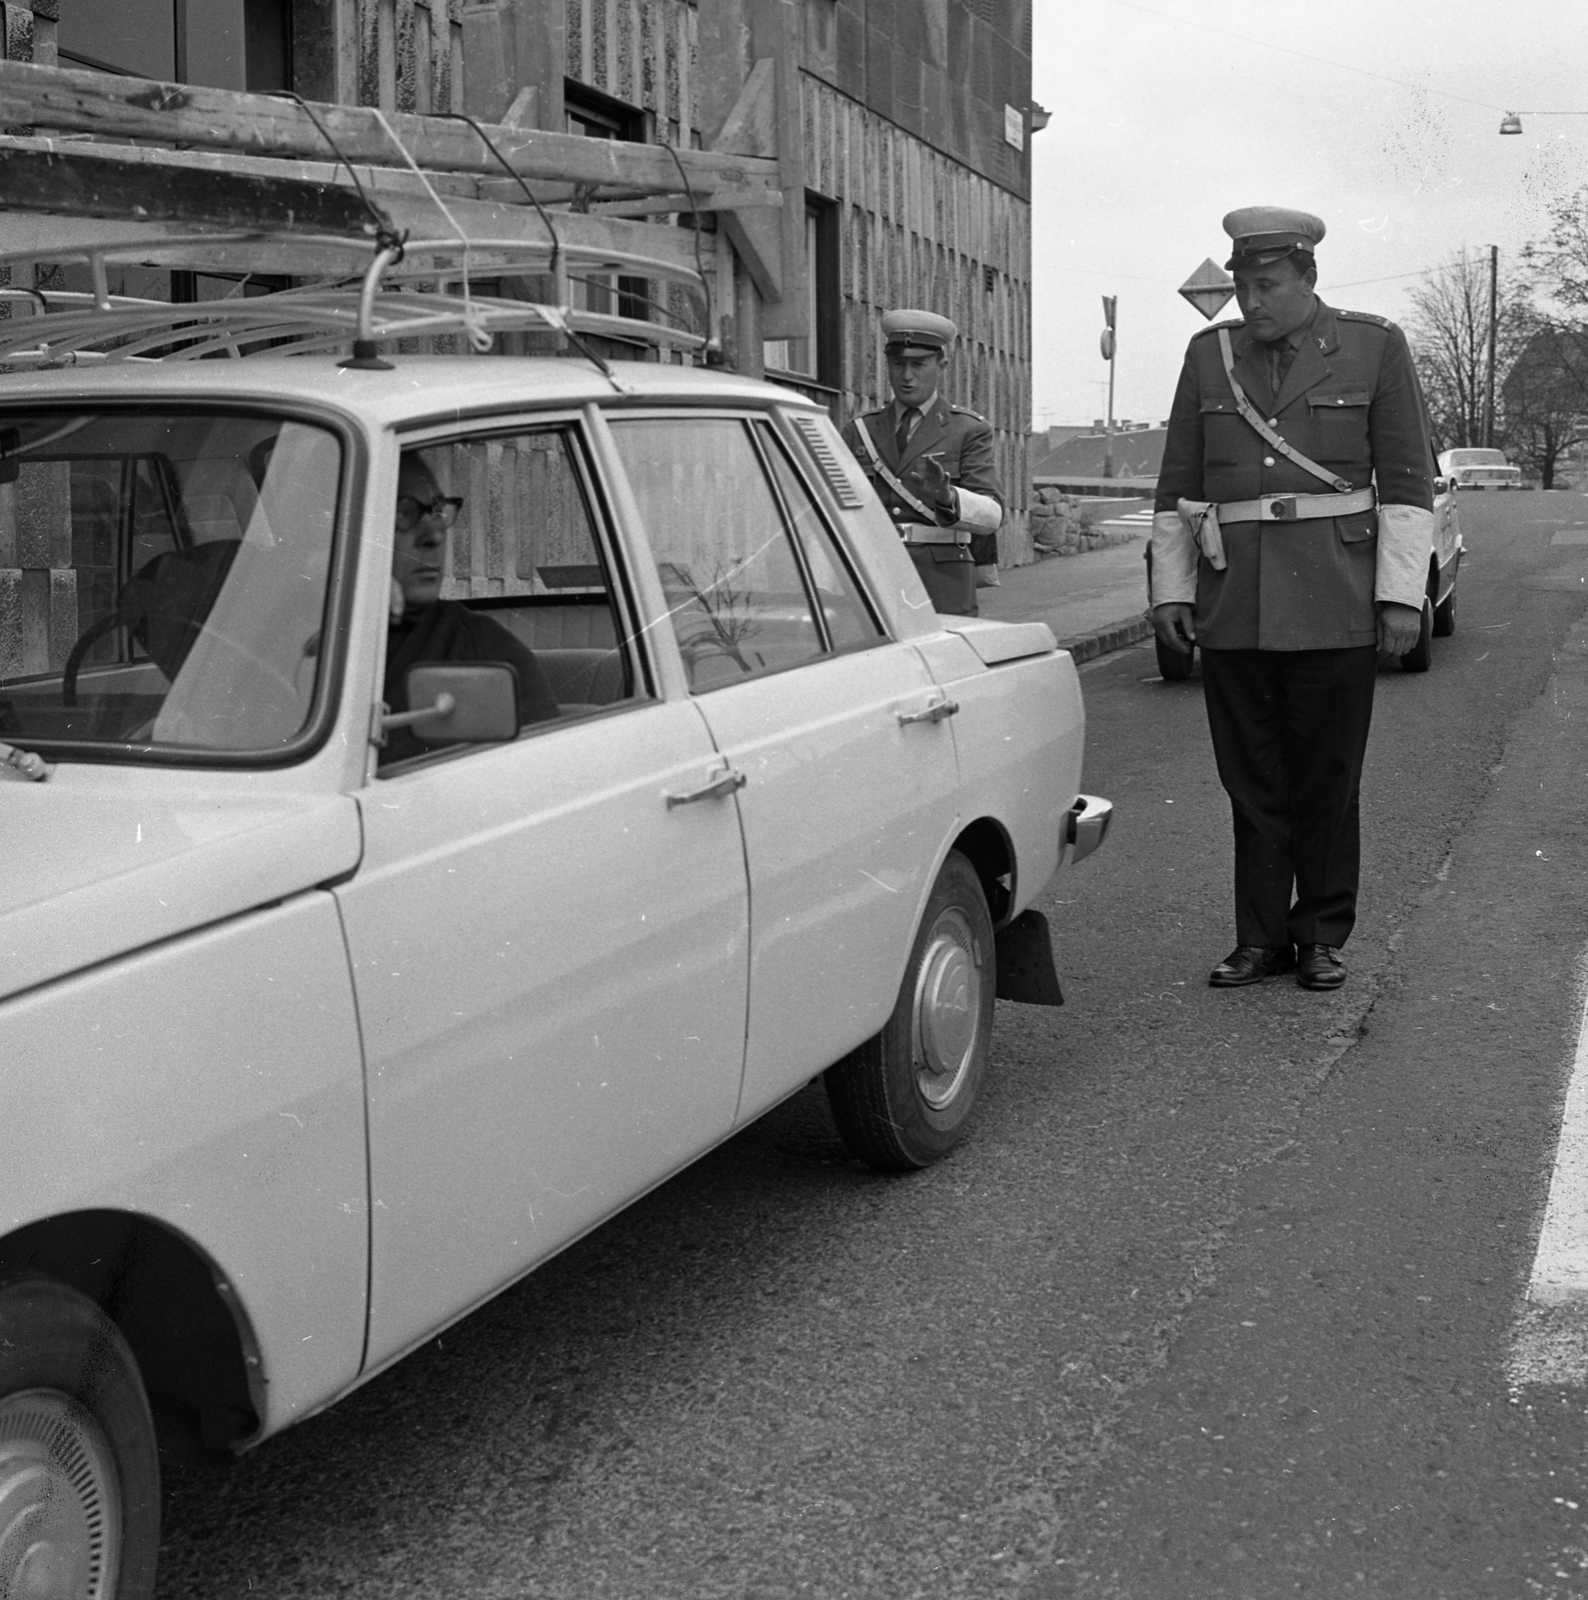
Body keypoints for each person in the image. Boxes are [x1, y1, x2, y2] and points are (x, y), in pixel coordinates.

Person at [1149, 206, 1434, 992]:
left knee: (1329, 780)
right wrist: (1172, 591)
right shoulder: (1210, 356)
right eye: (1242, 285)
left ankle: (1320, 936)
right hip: (1235, 599)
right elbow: (1180, 484)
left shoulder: (1373, 346)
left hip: (1335, 596)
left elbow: (1408, 484)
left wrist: (1401, 598)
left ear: (1307, 278)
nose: (1251, 301)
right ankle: (1260, 937)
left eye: (1267, 284)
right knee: (1251, 782)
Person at [382, 451, 559, 764]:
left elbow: (546, 774)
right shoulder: (295, 628)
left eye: (438, 512)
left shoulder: (483, 649)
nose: (434, 535)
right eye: (403, 513)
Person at [841, 309, 1004, 617]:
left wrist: (947, 498)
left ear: (941, 364)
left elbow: (992, 512)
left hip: (942, 576)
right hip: (874, 571)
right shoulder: (859, 430)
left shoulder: (968, 429)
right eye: (898, 363)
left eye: (918, 364)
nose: (906, 375)